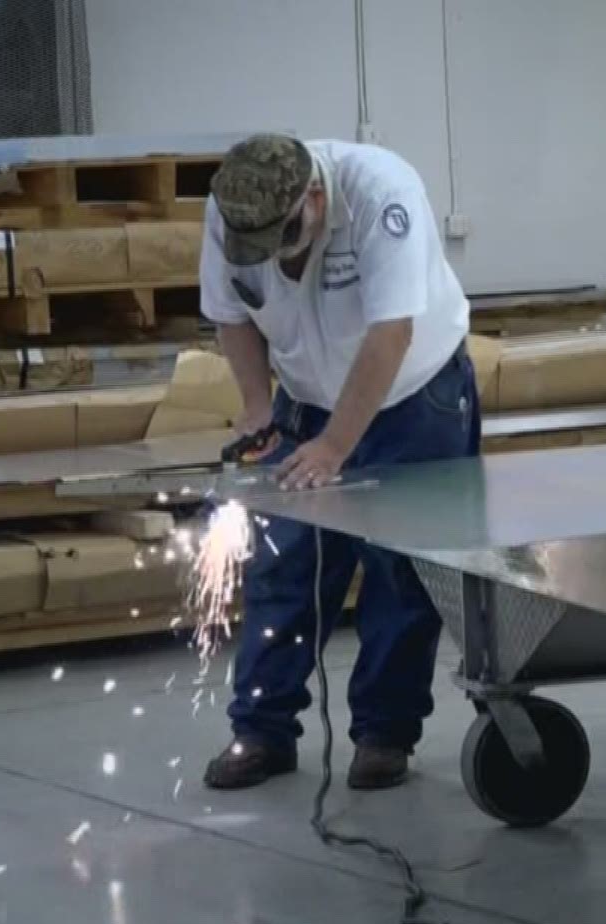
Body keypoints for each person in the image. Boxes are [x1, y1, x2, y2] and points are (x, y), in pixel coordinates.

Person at [197, 133, 479, 792]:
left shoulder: (383, 193)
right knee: (283, 557)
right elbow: (230, 314)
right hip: (307, 398)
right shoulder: (229, 208)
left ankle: (384, 734)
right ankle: (261, 728)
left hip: (416, 397)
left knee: (401, 568)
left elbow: (392, 334)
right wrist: (256, 407)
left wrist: (333, 447)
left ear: (315, 199)